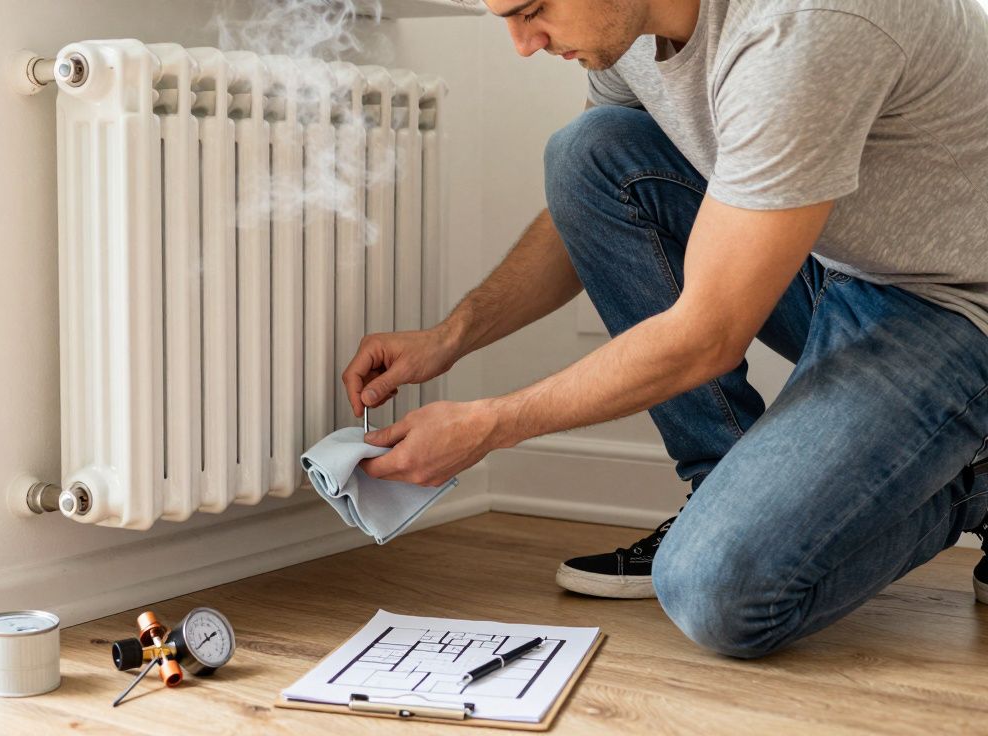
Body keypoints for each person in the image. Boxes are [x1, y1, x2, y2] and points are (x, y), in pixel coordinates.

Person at [341, 0, 988, 658]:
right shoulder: (630, 33)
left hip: (952, 302)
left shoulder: (801, 27)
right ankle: (722, 485)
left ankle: (977, 483)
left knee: (719, 593)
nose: (522, 44)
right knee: (584, 154)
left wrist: (488, 425)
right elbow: (592, 199)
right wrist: (450, 337)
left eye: (533, 9)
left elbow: (708, 334)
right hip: (838, 259)